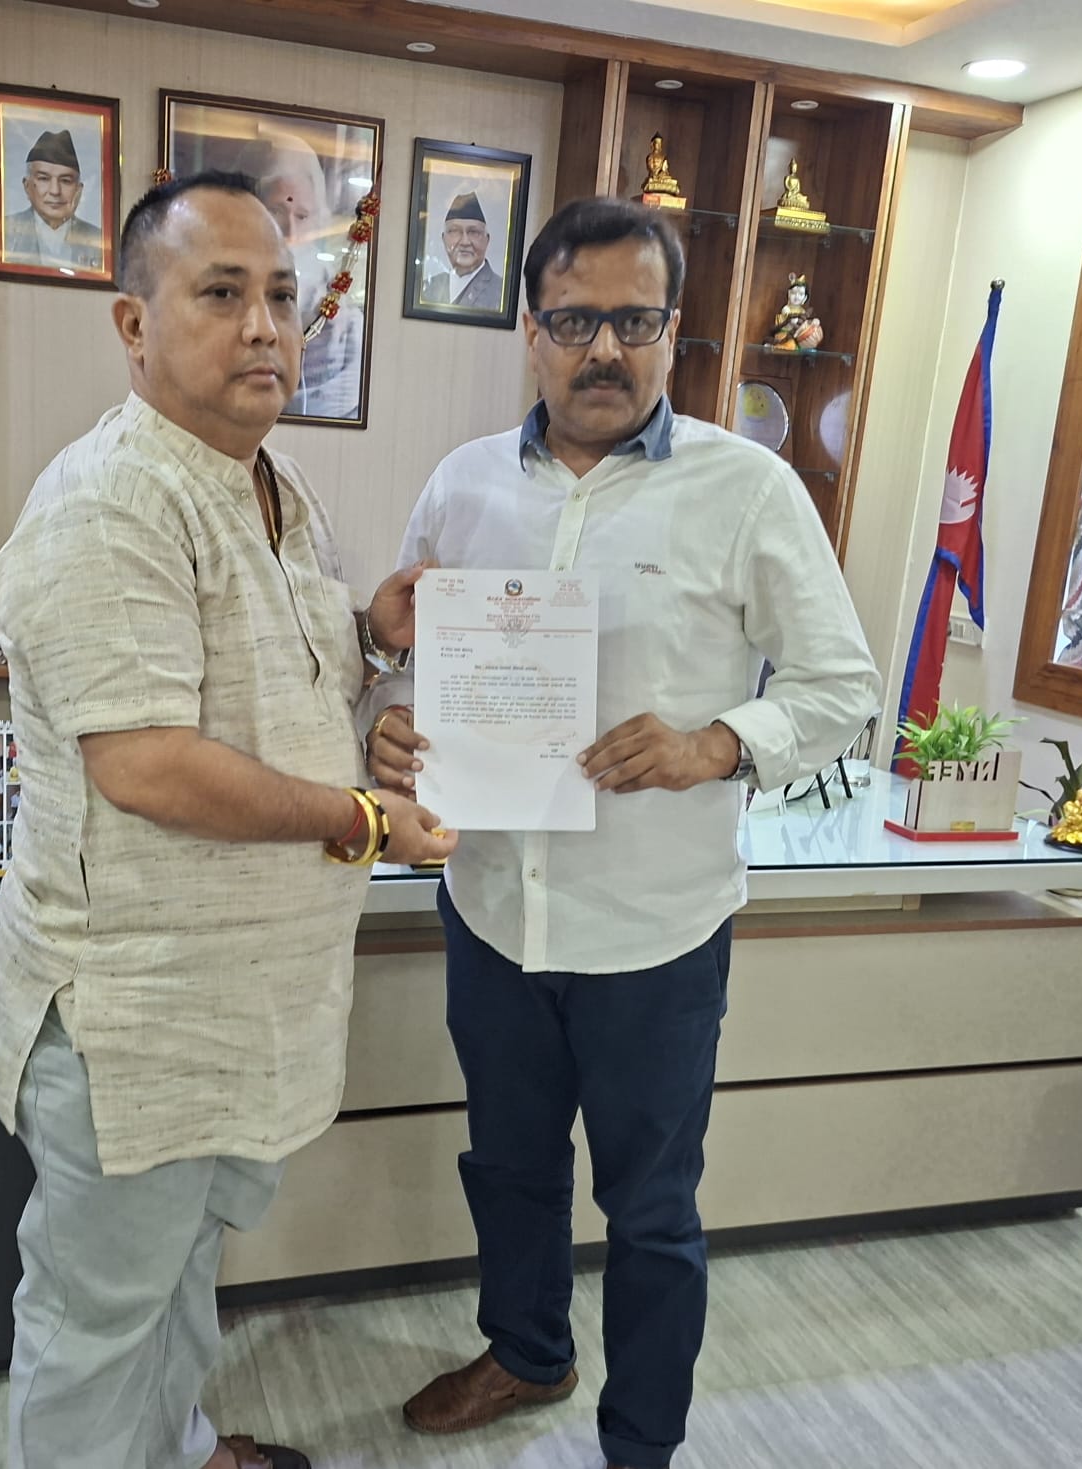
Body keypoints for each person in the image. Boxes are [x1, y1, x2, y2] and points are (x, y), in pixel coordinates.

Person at [369, 195, 881, 1469]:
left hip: (655, 930)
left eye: (634, 321)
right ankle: (526, 1349)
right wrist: (388, 724)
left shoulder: (748, 489)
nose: (604, 349)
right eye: (574, 321)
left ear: (673, 329)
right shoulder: (460, 484)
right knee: (508, 1166)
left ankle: (639, 1442)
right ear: (530, 330)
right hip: (493, 909)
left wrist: (716, 743)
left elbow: (840, 686)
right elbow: (407, 660)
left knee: (650, 1210)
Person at [0, 169, 455, 1469]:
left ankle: (176, 1448)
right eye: (222, 293)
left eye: (283, 297)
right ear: (134, 323)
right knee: (96, 1317)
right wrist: (363, 816)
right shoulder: (112, 499)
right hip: (134, 1019)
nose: (263, 327)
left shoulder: (269, 483)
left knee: (179, 1273)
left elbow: (272, 679)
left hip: (240, 1007)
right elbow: (149, 765)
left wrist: (370, 640)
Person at [237, 133, 364, 420]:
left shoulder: (348, 325)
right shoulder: (223, 304)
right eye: (276, 211)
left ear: (318, 219)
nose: (291, 233)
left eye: (302, 216)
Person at [2, 128, 105, 272]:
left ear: (79, 190)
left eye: (65, 181)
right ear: (27, 186)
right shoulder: (3, 234)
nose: (55, 191)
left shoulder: (100, 242)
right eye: (44, 179)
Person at [424, 190, 505, 311]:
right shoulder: (428, 288)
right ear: (444, 239)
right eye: (455, 231)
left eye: (473, 232)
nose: (465, 242)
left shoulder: (501, 292)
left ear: (487, 240)